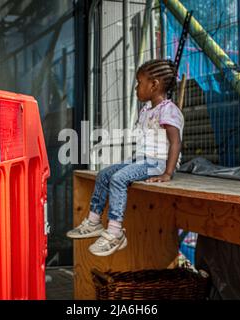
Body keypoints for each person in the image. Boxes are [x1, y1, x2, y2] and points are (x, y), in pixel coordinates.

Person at [67, 59, 184, 256]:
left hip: (157, 161)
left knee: (118, 178)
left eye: (140, 82)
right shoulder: (147, 109)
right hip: (141, 158)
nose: (137, 87)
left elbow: (176, 143)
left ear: (154, 85)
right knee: (104, 174)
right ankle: (94, 221)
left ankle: (115, 232)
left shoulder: (168, 110)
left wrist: (167, 173)